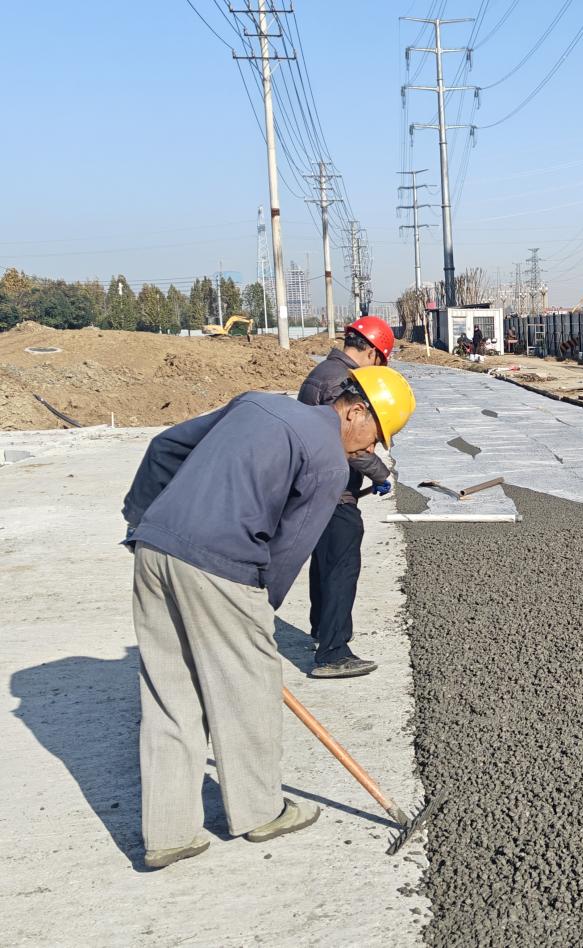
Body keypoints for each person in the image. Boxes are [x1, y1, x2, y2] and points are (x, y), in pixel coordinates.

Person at [121, 366, 416, 869]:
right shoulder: (327, 462)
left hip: (154, 548)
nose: (371, 449)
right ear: (357, 410)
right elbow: (288, 552)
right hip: (221, 562)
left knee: (170, 694)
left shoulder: (255, 402)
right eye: (377, 436)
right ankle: (261, 812)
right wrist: (257, 619)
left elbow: (166, 447)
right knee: (250, 690)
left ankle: (168, 834)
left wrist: (143, 523)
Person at [298, 316, 397, 679]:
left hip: (314, 487)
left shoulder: (320, 373)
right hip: (335, 490)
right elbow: (350, 440)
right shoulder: (343, 382)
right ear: (371, 351)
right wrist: (381, 473)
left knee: (323, 562)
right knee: (341, 566)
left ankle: (321, 629)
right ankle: (333, 652)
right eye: (379, 361)